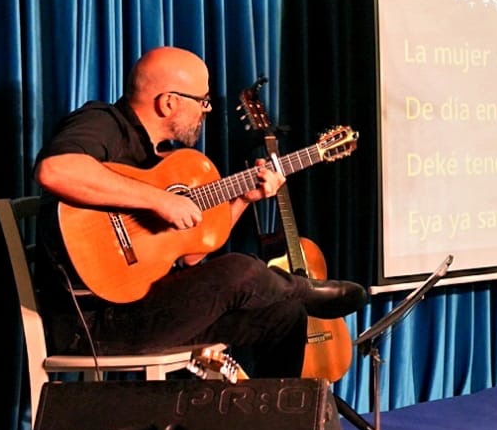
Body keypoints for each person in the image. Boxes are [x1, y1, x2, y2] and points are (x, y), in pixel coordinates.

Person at [33, 45, 367, 378]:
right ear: (168, 102)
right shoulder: (103, 123)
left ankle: (276, 412)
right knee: (240, 268)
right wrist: (160, 200)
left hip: (149, 308)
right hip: (92, 323)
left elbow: (193, 256)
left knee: (285, 314)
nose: (207, 110)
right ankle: (304, 289)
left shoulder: (165, 159)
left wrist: (243, 199)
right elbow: (55, 171)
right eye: (203, 100)